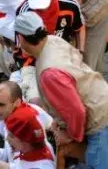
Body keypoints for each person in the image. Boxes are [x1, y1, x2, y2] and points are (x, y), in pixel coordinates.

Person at [14, 11, 108, 169]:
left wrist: (70, 136)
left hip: (99, 121)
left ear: (22, 38)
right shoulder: (53, 40)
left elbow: (76, 111)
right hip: (100, 96)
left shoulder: (49, 73)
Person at [17, 0, 85, 52]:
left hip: (63, 51)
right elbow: (21, 43)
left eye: (43, 2)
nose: (40, 7)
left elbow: (79, 28)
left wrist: (80, 51)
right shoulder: (24, 12)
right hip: (36, 55)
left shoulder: (70, 5)